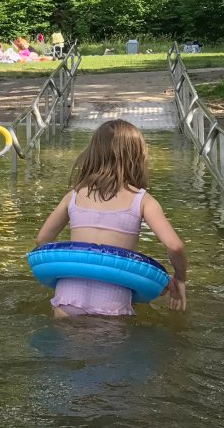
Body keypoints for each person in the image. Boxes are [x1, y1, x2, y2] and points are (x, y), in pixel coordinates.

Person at [35, 120, 187, 318]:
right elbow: (175, 246)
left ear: (93, 152)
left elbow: (42, 240)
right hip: (113, 301)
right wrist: (180, 279)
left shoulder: (74, 195)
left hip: (68, 296)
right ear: (137, 156)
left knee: (67, 346)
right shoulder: (142, 200)